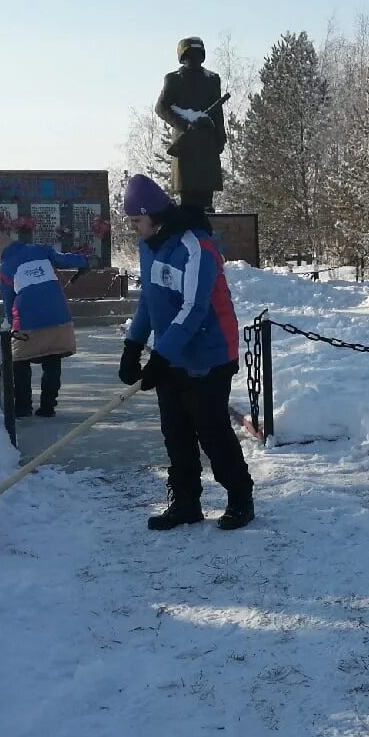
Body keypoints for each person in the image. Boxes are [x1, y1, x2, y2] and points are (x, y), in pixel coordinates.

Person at [118, 174, 253, 530]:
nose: (135, 229)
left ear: (155, 215)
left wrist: (160, 356)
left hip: (210, 355)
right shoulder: (149, 247)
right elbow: (149, 298)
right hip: (173, 354)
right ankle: (185, 502)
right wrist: (133, 346)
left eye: (137, 221)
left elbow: (193, 309)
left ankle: (240, 497)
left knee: (212, 432)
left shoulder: (198, 248)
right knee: (175, 432)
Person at [0, 227, 88, 418]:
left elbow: (9, 300)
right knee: (53, 361)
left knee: (20, 363)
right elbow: (64, 259)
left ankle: (23, 407)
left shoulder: (4, 269)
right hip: (59, 316)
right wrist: (86, 261)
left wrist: (9, 322)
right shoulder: (40, 250)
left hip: (27, 322)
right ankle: (48, 407)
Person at [154, 36, 226, 214]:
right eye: (189, 55)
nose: (194, 59)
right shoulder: (173, 79)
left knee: (206, 194)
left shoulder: (212, 79)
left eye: (197, 54)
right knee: (187, 195)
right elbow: (161, 108)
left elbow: (217, 112)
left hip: (206, 141)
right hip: (185, 143)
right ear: (182, 57)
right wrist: (185, 124)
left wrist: (220, 136)